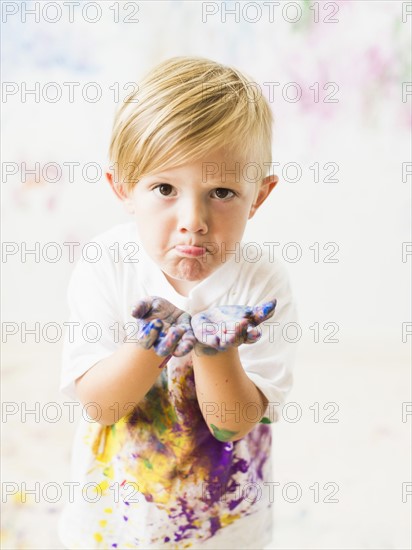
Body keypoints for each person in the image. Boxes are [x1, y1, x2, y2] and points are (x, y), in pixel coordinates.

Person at [58, 56, 298, 550]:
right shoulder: (107, 264)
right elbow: (101, 405)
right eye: (165, 188)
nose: (193, 219)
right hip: (112, 524)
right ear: (123, 188)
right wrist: (153, 343)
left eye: (222, 192)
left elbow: (232, 424)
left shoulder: (261, 285)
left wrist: (215, 349)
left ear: (260, 196)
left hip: (224, 526)